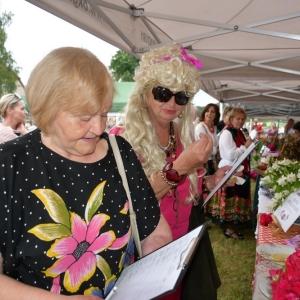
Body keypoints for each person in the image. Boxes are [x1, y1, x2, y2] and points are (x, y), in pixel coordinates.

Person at [0, 47, 173, 300]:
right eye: (84, 117)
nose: (100, 126)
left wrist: (153, 272)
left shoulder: (119, 151)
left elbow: (154, 231)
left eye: (103, 113)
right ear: (47, 109)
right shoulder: (9, 165)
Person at [110, 43, 239, 300]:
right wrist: (181, 167)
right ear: (144, 92)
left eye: (181, 97)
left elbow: (187, 191)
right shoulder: (121, 140)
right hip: (144, 253)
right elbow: (128, 205)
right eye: (162, 93)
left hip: (181, 250)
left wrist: (211, 181)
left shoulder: (180, 135)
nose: (172, 103)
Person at [215, 108, 253, 239]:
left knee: (236, 199)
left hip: (238, 170)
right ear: (231, 119)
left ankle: (234, 225)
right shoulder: (227, 133)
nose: (241, 121)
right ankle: (229, 229)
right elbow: (229, 155)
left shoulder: (238, 132)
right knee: (231, 198)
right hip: (230, 170)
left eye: (243, 119)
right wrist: (245, 147)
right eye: (238, 118)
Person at [194, 103, 220, 175]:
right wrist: (216, 150)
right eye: (207, 111)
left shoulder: (214, 127)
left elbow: (214, 143)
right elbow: (204, 147)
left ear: (216, 114)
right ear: (204, 112)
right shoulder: (200, 127)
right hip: (203, 162)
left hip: (212, 161)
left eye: (212, 112)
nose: (209, 114)